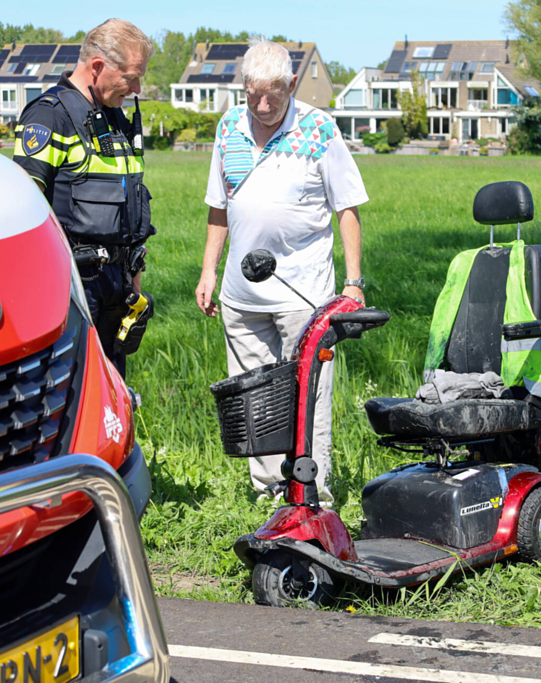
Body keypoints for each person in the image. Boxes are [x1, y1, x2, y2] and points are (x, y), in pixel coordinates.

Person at [195, 41, 368, 505]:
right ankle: (270, 492)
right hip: (240, 296)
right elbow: (219, 205)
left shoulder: (319, 129)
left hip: (303, 293)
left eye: (273, 94)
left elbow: (347, 208)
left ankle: (312, 492)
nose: (263, 106)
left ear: (292, 85)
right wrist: (208, 270)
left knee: (308, 393)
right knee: (255, 397)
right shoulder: (229, 125)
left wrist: (353, 282)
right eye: (254, 95)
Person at [12, 18, 156, 378]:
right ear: (97, 67)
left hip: (118, 286)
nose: (137, 88)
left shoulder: (114, 115)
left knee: (113, 393)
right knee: (75, 394)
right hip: (74, 286)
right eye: (131, 76)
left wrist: (133, 272)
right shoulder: (49, 116)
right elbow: (24, 208)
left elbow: (129, 200)